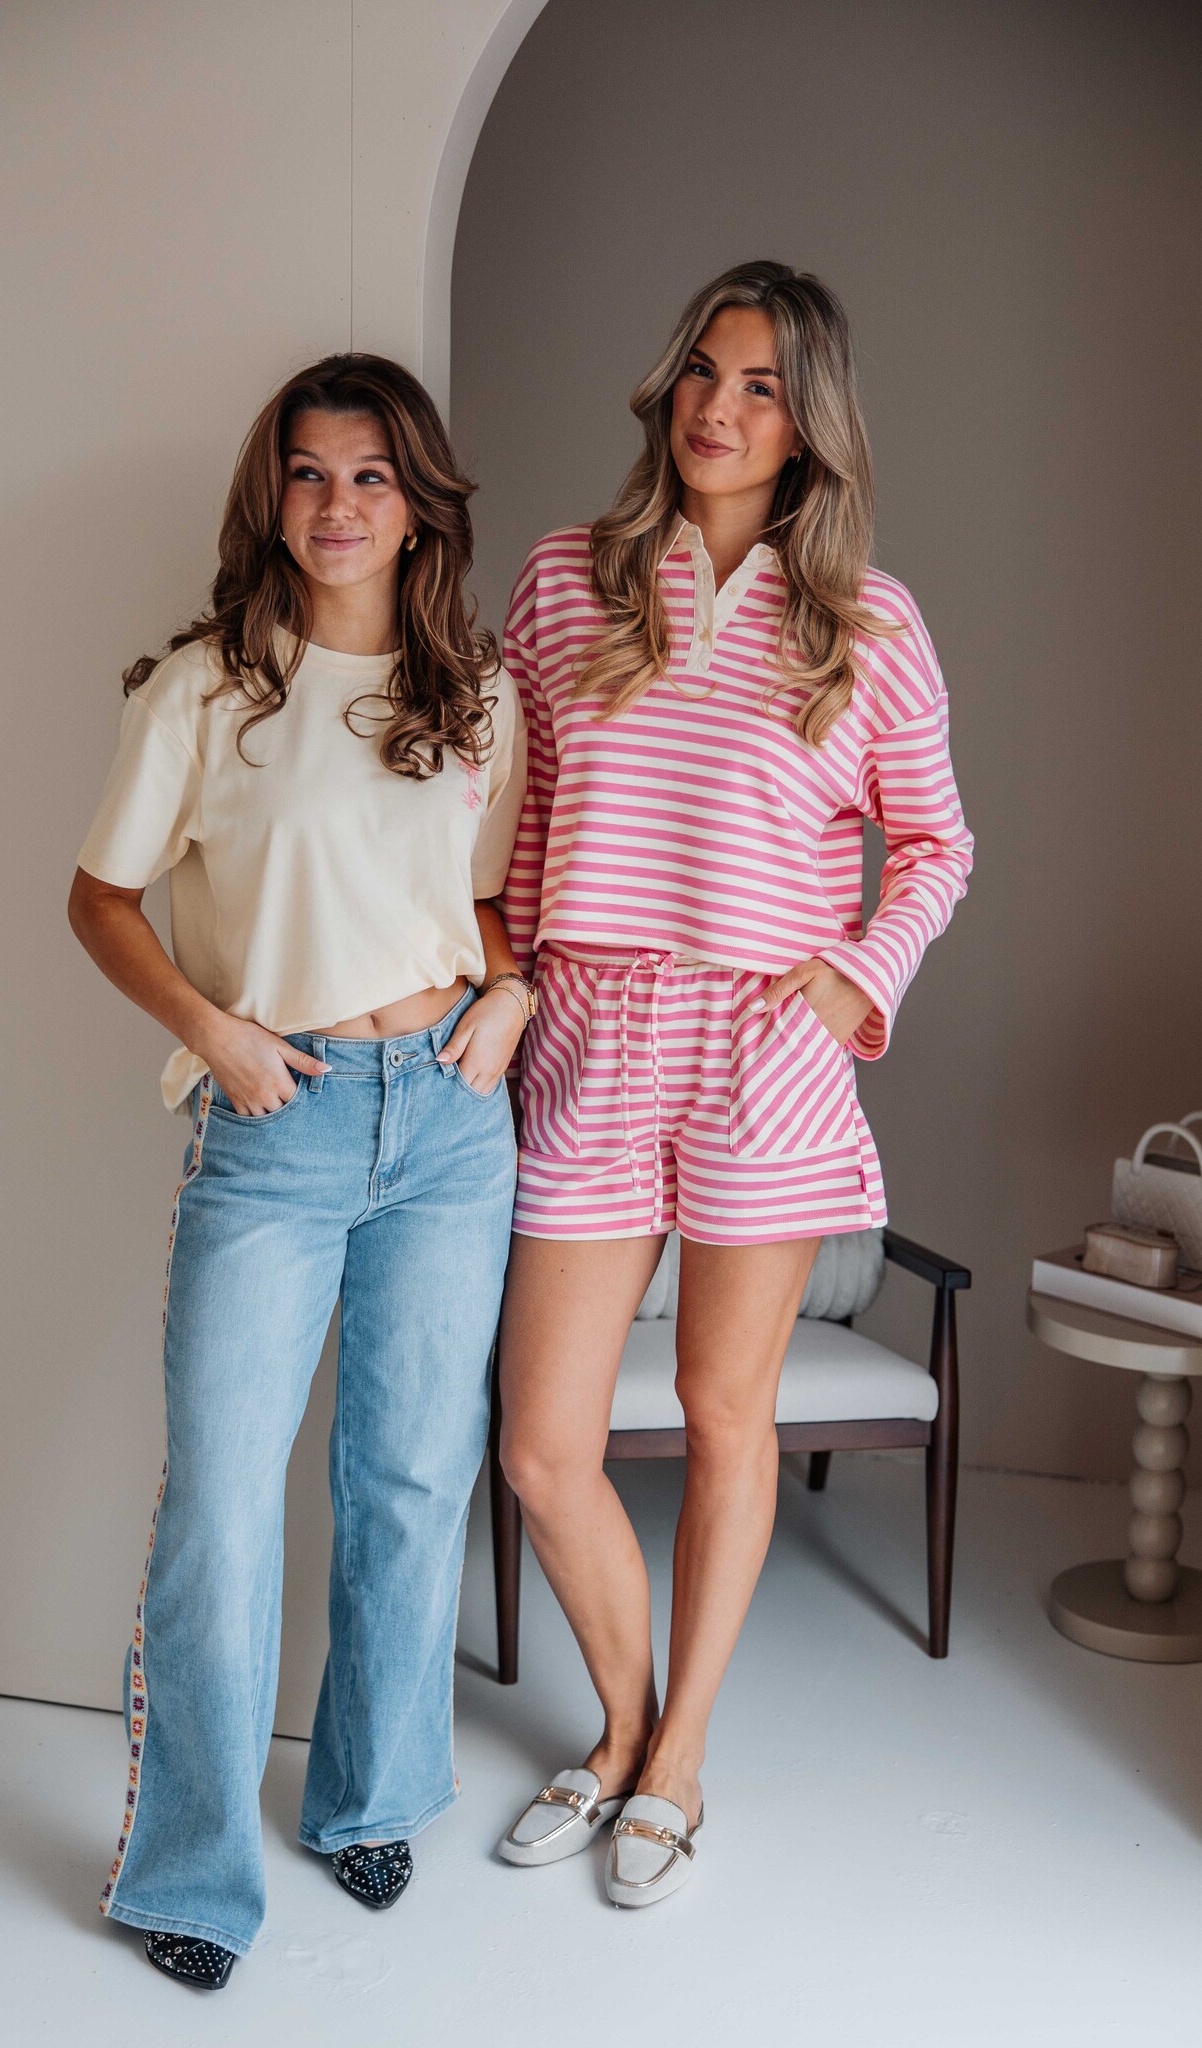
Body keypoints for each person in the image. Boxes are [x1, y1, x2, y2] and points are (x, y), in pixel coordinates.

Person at [494, 261, 973, 1907]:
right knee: (541, 1444)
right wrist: (510, 986)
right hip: (589, 1028)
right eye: (703, 369)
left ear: (806, 421)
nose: (717, 405)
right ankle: (622, 1728)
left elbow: (935, 843)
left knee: (721, 1413)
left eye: (761, 384)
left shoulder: (866, 622)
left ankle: (677, 1755)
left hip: (761, 1048)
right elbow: (519, 823)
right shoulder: (564, 581)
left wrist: (855, 973)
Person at [69, 352, 531, 1988]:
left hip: (451, 1124)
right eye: (309, 473)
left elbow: (485, 898)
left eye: (370, 476)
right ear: (272, 498)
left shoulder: (476, 693)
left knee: (408, 1480)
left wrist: (511, 992)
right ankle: (191, 1879)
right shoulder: (207, 689)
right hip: (279, 1123)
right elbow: (100, 898)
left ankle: (371, 1798)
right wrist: (215, 1030)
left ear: (418, 508)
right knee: (218, 1506)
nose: (337, 504)